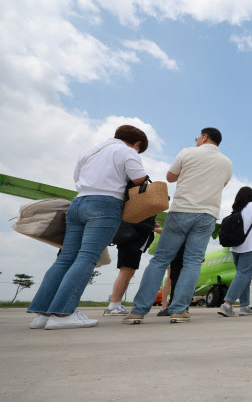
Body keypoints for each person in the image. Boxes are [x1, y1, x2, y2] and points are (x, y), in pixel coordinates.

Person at [28, 125, 149, 329]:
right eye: (139, 149)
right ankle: (63, 313)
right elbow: (139, 180)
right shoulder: (126, 151)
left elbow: (77, 180)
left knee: (66, 257)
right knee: (87, 257)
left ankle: (42, 314)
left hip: (78, 203)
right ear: (137, 144)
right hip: (105, 204)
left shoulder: (89, 151)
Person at [124, 127, 232, 324]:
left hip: (181, 210)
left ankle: (138, 311)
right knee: (192, 262)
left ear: (204, 137)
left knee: (160, 260)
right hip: (207, 215)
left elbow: (170, 177)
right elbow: (221, 185)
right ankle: (179, 310)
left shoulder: (187, 152)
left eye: (198, 137)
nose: (197, 139)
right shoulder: (227, 163)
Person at [217, 187, 252, 317]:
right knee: (243, 274)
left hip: (235, 247)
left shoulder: (237, 208)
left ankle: (245, 306)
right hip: (250, 246)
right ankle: (227, 304)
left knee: (245, 275)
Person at [105, 218, 162, 316]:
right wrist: (155, 229)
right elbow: (136, 220)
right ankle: (113, 305)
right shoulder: (138, 206)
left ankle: (115, 304)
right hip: (131, 242)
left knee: (128, 272)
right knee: (125, 271)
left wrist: (153, 225)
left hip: (134, 242)